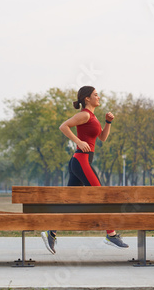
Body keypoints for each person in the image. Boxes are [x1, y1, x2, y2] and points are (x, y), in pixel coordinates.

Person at [41, 86, 129, 254]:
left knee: (69, 200)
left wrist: (108, 122)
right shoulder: (84, 115)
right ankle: (111, 234)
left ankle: (50, 232)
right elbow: (63, 126)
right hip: (81, 160)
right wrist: (78, 141)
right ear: (87, 98)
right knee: (101, 196)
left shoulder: (93, 117)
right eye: (95, 94)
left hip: (80, 161)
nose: (98, 96)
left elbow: (102, 138)